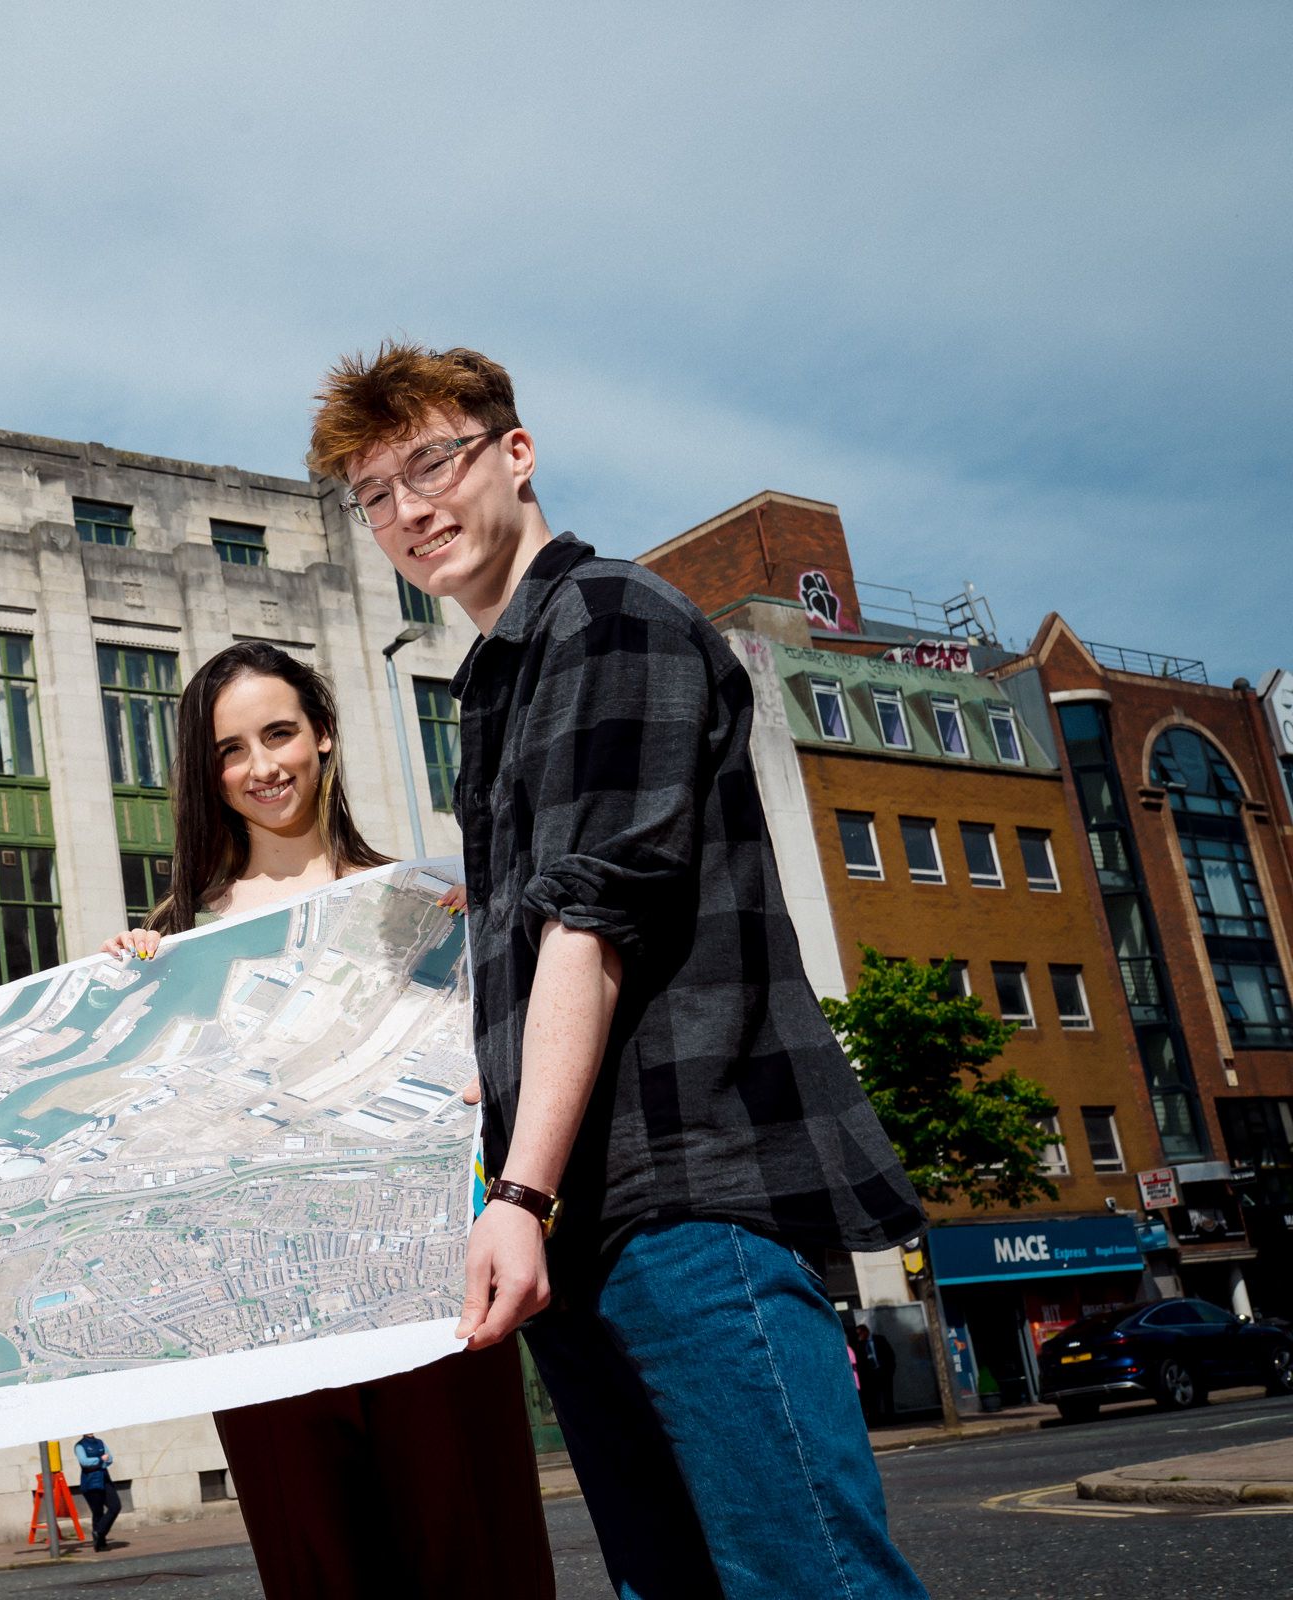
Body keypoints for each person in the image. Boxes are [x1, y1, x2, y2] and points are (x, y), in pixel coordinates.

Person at [310, 341, 930, 1598]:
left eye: (431, 463)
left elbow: (587, 929)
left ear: (515, 453)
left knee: (809, 1581)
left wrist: (519, 1198)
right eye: (374, 495)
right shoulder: (501, 673)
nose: (407, 511)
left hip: (689, 1197)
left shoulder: (607, 618)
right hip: (591, 1222)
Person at [99, 642, 554, 1600]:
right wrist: (128, 1004)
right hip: (265, 1318)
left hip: (429, 1294)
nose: (262, 767)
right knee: (322, 1574)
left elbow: (502, 1075)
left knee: (475, 1561)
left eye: (280, 734)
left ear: (325, 737)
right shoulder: (173, 939)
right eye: (231, 750)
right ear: (206, 773)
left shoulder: (431, 903)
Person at [73, 1434, 120, 1553]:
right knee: (98, 1512)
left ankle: (98, 1532)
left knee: (115, 1507)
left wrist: (100, 1463)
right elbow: (84, 1462)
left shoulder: (100, 1442)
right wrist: (99, 1460)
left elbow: (109, 1458)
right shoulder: (80, 1445)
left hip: (104, 1479)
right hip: (90, 1481)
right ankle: (100, 1543)